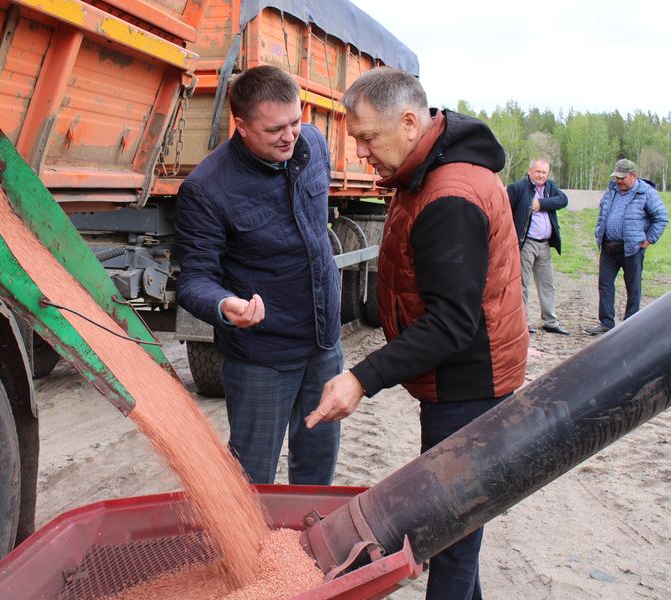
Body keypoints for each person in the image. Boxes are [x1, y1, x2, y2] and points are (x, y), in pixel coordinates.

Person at [304, 67, 528, 600]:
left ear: (409, 122)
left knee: (449, 529)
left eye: (366, 138)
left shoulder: (449, 195)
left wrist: (361, 378)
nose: (361, 153)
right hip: (459, 378)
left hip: (468, 384)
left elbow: (452, 323)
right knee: (458, 518)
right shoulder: (425, 173)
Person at [174, 65, 343, 485]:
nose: (289, 136)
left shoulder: (314, 145)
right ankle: (253, 552)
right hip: (262, 359)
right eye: (274, 130)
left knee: (317, 470)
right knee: (252, 479)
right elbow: (194, 279)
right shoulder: (208, 188)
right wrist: (224, 305)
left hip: (324, 345)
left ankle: (308, 546)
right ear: (242, 126)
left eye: (295, 122)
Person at [585, 158, 668, 335]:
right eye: (617, 177)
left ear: (634, 175)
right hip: (608, 247)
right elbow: (603, 212)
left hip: (632, 248)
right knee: (605, 285)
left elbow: (661, 217)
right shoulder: (611, 190)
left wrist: (649, 239)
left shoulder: (647, 193)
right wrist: (600, 229)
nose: (619, 181)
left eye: (622, 177)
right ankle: (606, 323)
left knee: (633, 287)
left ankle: (630, 327)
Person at [507, 158, 569, 335]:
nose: (541, 175)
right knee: (522, 285)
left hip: (544, 245)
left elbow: (563, 200)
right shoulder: (517, 188)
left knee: (547, 284)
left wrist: (541, 204)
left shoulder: (550, 187)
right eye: (538, 172)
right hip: (526, 244)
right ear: (529, 171)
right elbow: (506, 213)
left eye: (544, 172)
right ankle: (522, 323)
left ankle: (550, 321)